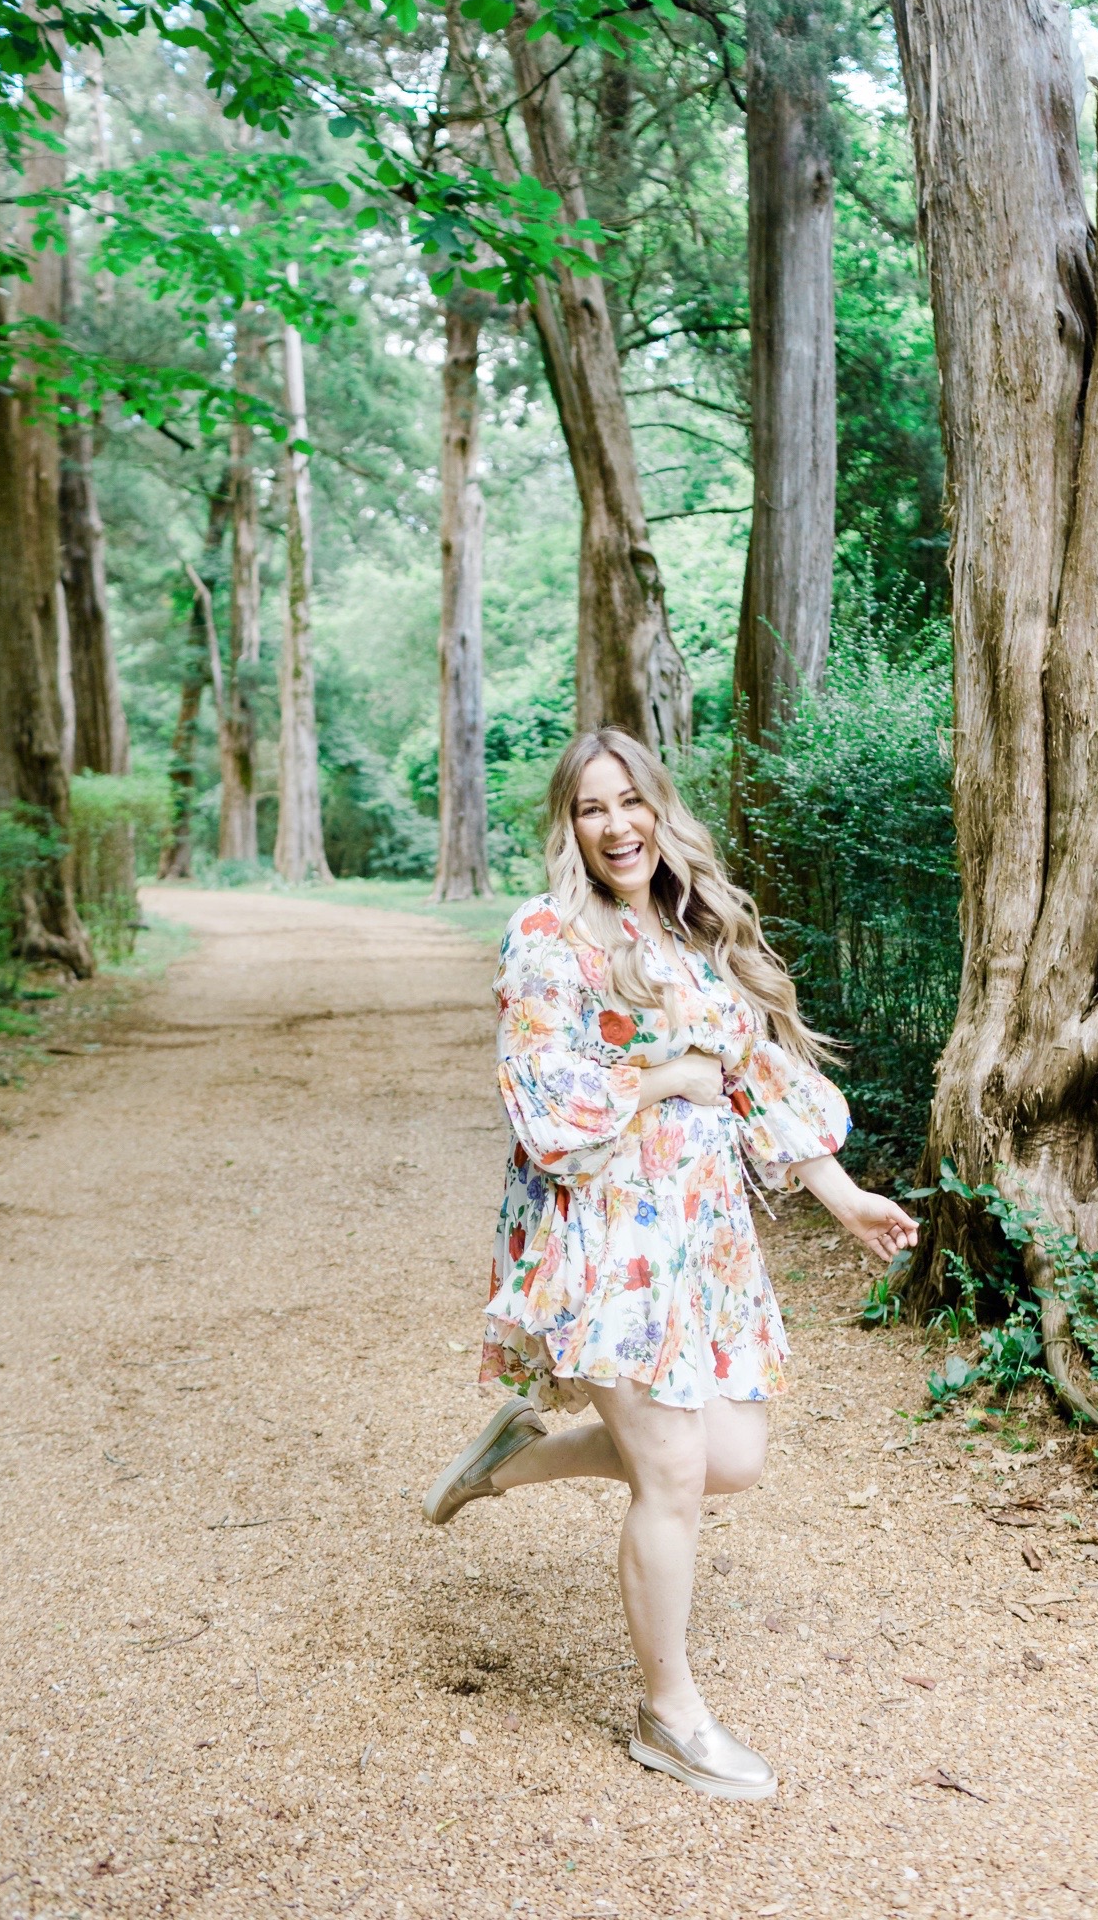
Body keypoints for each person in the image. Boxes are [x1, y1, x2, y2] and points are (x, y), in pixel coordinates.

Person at [421, 728, 918, 1801]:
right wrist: (667, 1077)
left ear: (658, 808)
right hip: (603, 1230)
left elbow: (753, 1075)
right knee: (677, 1472)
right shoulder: (546, 936)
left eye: (631, 800)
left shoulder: (690, 929)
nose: (616, 824)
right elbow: (543, 1100)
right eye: (591, 807)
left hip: (698, 1235)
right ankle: (669, 1711)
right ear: (569, 824)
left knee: (731, 1453)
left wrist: (843, 1197)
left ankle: (505, 1461)